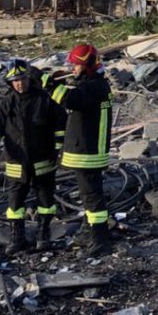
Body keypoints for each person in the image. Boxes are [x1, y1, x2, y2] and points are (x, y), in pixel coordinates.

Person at [0, 59, 67, 255]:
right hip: (16, 162)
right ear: (10, 83)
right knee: (15, 204)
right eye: (16, 80)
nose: (21, 83)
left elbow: (62, 124)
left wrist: (57, 149)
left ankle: (43, 235)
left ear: (29, 79)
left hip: (42, 160)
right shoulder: (7, 102)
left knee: (46, 201)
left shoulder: (44, 99)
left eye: (23, 79)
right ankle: (17, 237)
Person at [48, 44, 114, 257]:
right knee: (89, 197)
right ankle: (88, 233)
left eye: (76, 66)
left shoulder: (94, 88)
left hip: (89, 152)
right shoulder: (96, 85)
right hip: (90, 150)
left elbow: (70, 100)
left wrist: (46, 83)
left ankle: (99, 240)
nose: (73, 69)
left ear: (87, 66)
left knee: (92, 197)